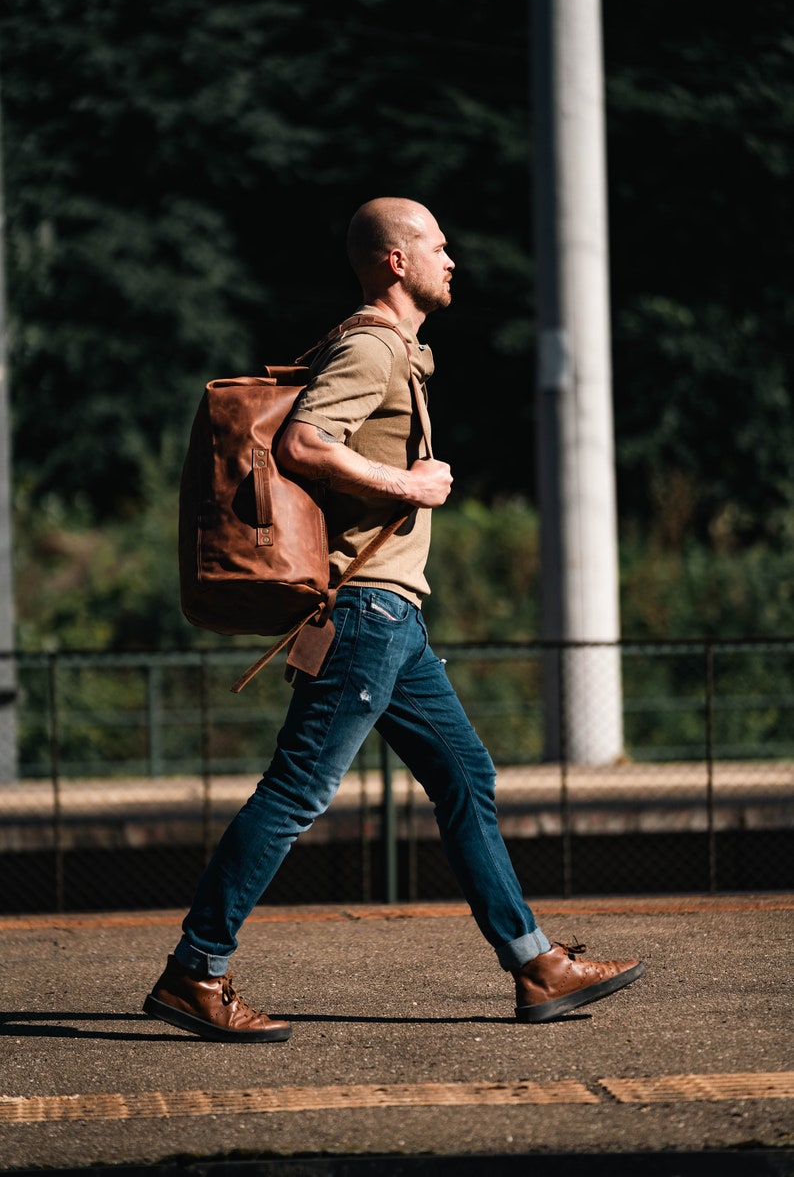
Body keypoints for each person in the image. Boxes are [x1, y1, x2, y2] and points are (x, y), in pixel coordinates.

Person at [143, 197, 645, 1041]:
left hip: (394, 621)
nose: (454, 259)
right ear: (396, 261)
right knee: (297, 793)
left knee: (464, 777)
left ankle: (535, 965)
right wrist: (409, 485)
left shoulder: (394, 352)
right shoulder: (373, 345)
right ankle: (196, 970)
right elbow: (303, 442)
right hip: (366, 612)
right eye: (439, 246)